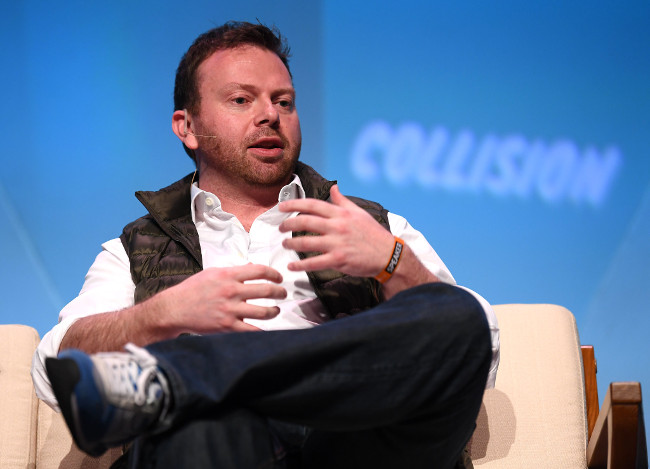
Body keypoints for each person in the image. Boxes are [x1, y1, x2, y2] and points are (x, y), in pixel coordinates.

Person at [32, 21, 499, 469]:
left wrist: (392, 261)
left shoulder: (368, 223)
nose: (270, 115)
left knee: (462, 316)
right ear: (187, 126)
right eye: (241, 99)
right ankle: (197, 386)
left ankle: (189, 375)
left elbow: (476, 349)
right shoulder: (137, 248)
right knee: (202, 425)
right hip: (221, 443)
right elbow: (57, 366)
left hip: (356, 442)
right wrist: (159, 315)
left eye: (285, 101)